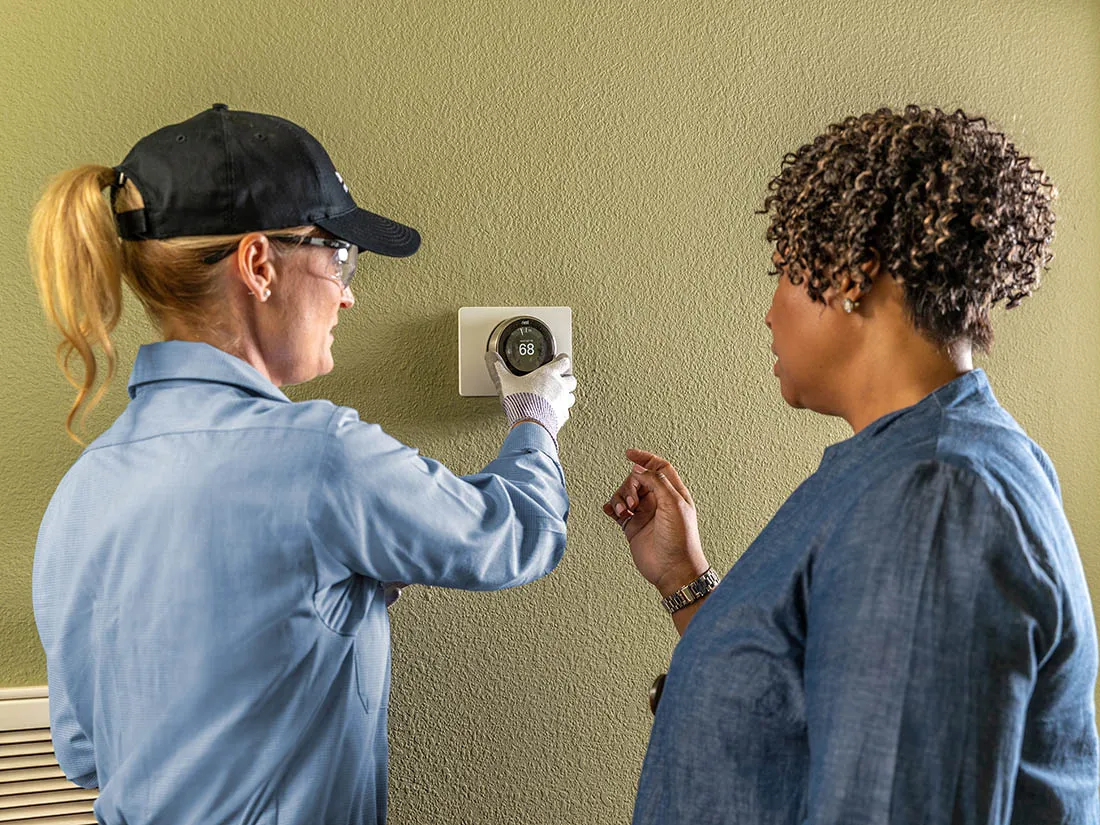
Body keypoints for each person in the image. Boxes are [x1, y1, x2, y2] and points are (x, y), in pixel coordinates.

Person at [29, 103, 576, 825]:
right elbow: (516, 536)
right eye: (338, 255)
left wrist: (320, 603)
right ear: (259, 264)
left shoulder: (81, 490)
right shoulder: (321, 456)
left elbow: (84, 753)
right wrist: (536, 419)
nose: (348, 292)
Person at [604, 106, 1098, 824]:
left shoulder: (935, 496)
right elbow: (803, 704)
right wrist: (685, 579)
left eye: (785, 272)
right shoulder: (918, 466)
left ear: (852, 274)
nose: (769, 312)